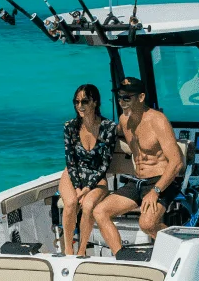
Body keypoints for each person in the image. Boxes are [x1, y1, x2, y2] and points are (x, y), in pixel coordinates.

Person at [92, 77, 185, 257]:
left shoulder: (158, 121)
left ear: (141, 97)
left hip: (161, 182)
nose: (122, 102)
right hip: (138, 181)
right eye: (119, 97)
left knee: (147, 224)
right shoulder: (124, 120)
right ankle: (122, 256)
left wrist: (156, 191)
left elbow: (176, 162)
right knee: (100, 211)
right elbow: (107, 133)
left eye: (127, 98)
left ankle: (180, 248)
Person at [57, 83, 117, 257]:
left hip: (96, 176)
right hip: (74, 173)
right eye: (76, 102)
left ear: (95, 102)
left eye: (84, 101)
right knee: (70, 203)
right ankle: (68, 250)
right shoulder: (70, 127)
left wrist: (87, 188)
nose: (80, 106)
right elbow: (70, 160)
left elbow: (104, 164)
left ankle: (81, 250)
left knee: (89, 205)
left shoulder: (109, 127)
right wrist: (78, 188)